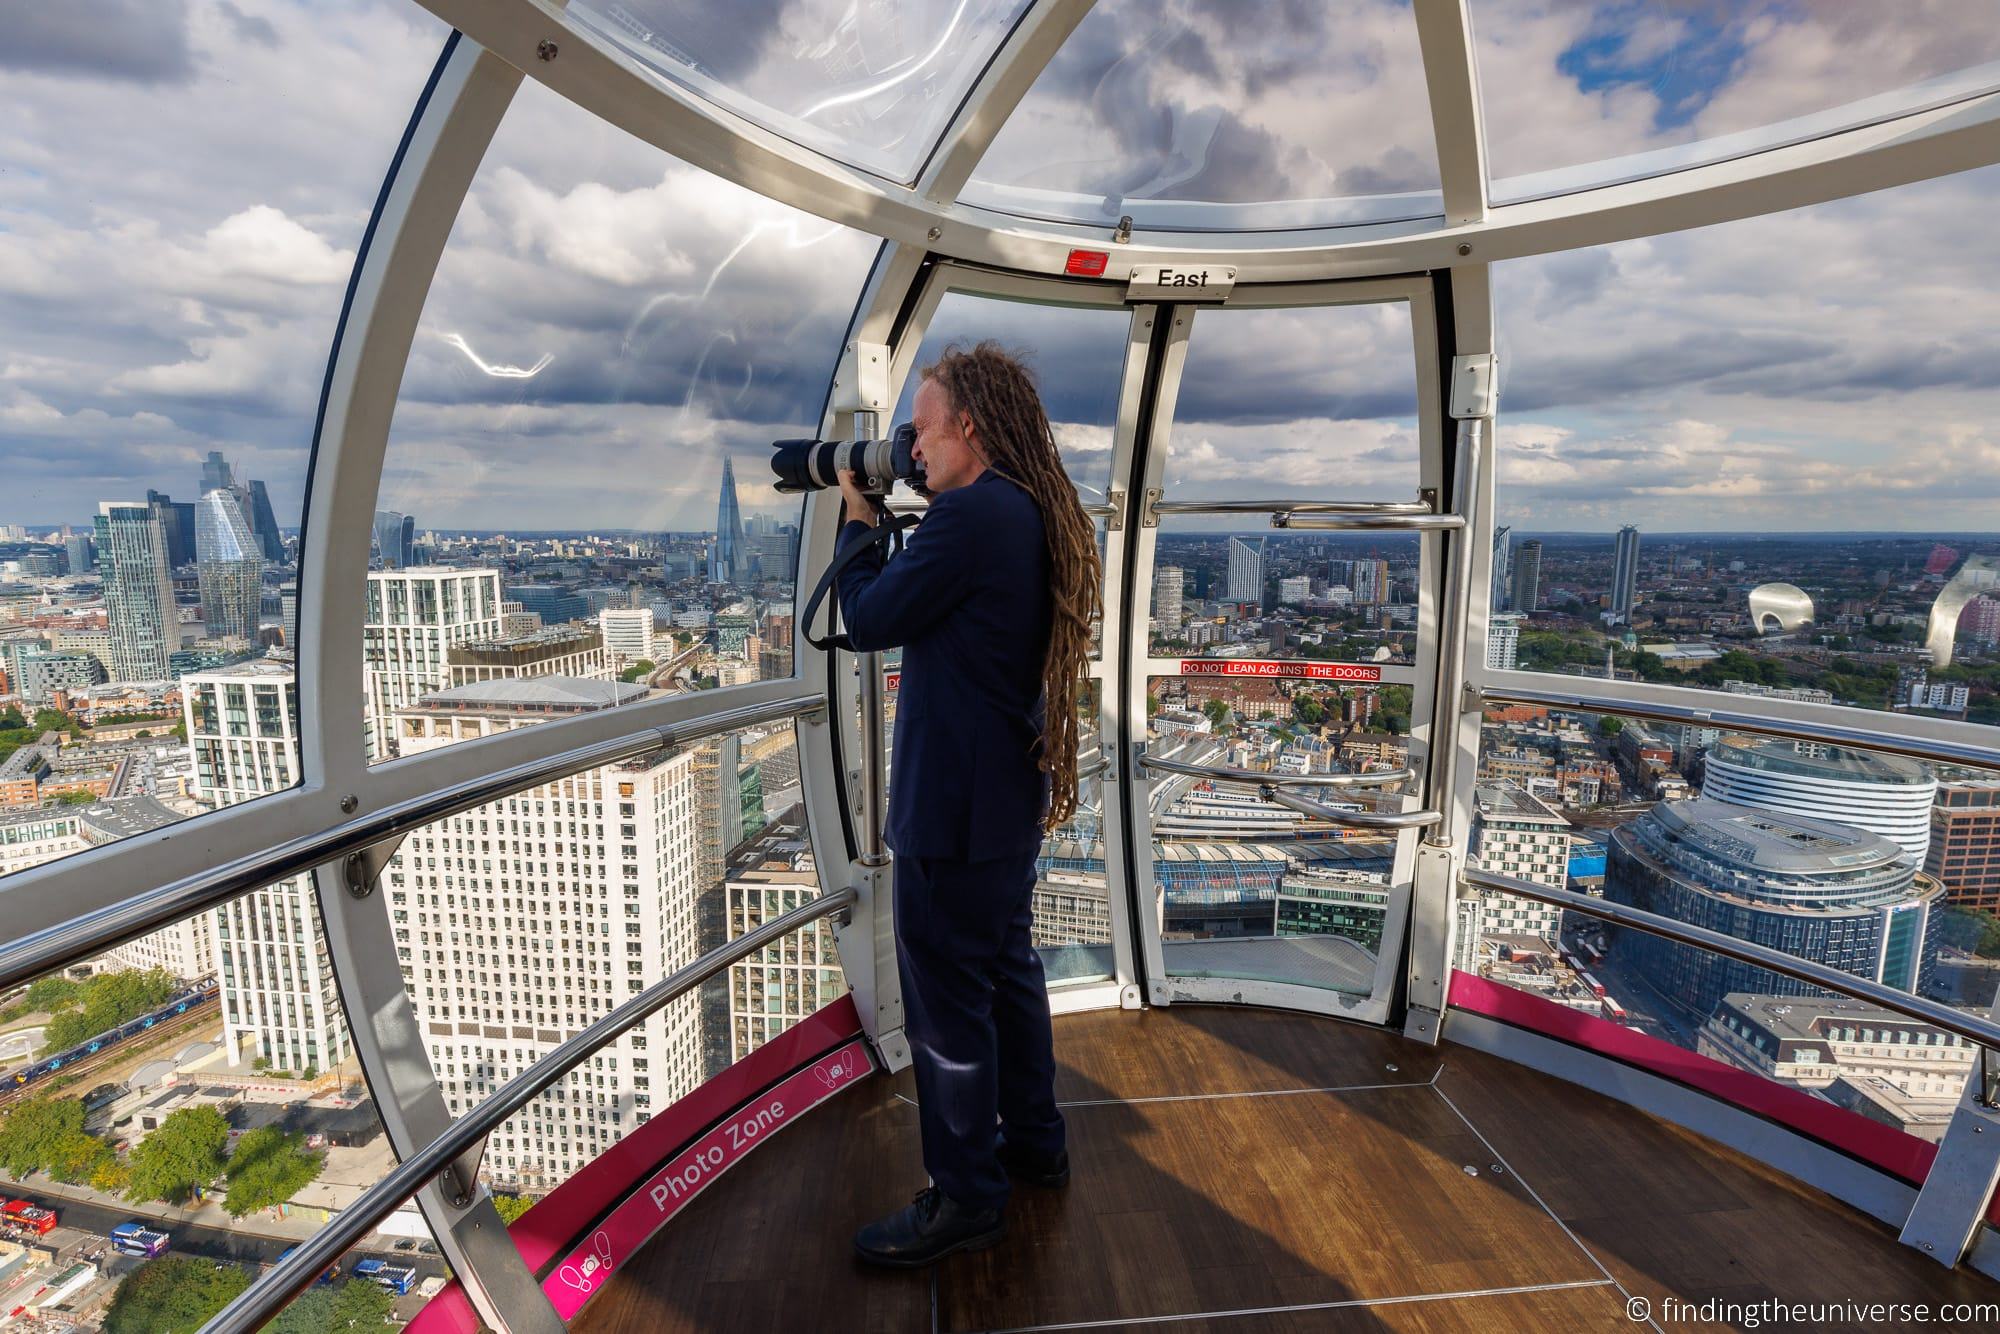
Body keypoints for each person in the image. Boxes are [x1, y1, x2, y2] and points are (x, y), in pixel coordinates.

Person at [837, 342, 1102, 1268]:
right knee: (1006, 976)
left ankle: (967, 1197)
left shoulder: (969, 519)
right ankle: (1036, 1145)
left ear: (969, 426)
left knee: (948, 1012)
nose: (911, 445)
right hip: (1002, 798)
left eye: (921, 425)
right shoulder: (1022, 509)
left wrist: (856, 517)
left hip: (951, 807)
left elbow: (866, 620)